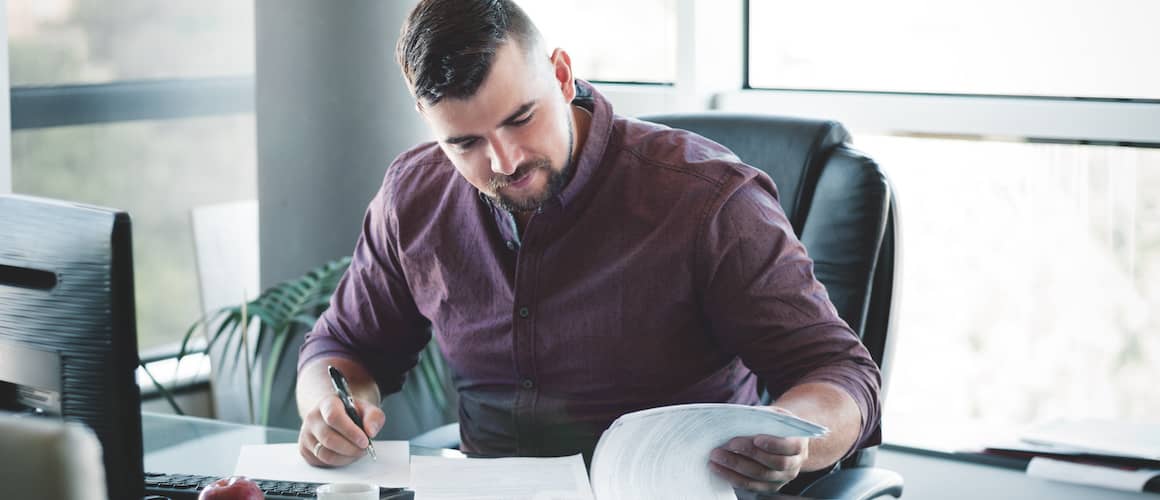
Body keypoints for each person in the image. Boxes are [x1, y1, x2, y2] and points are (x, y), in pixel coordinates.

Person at [295, 0, 881, 495]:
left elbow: (839, 374)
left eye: (521, 118)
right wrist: (329, 406)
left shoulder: (709, 201)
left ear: (561, 74)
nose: (506, 161)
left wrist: (796, 438)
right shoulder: (414, 196)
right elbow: (345, 347)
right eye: (466, 143)